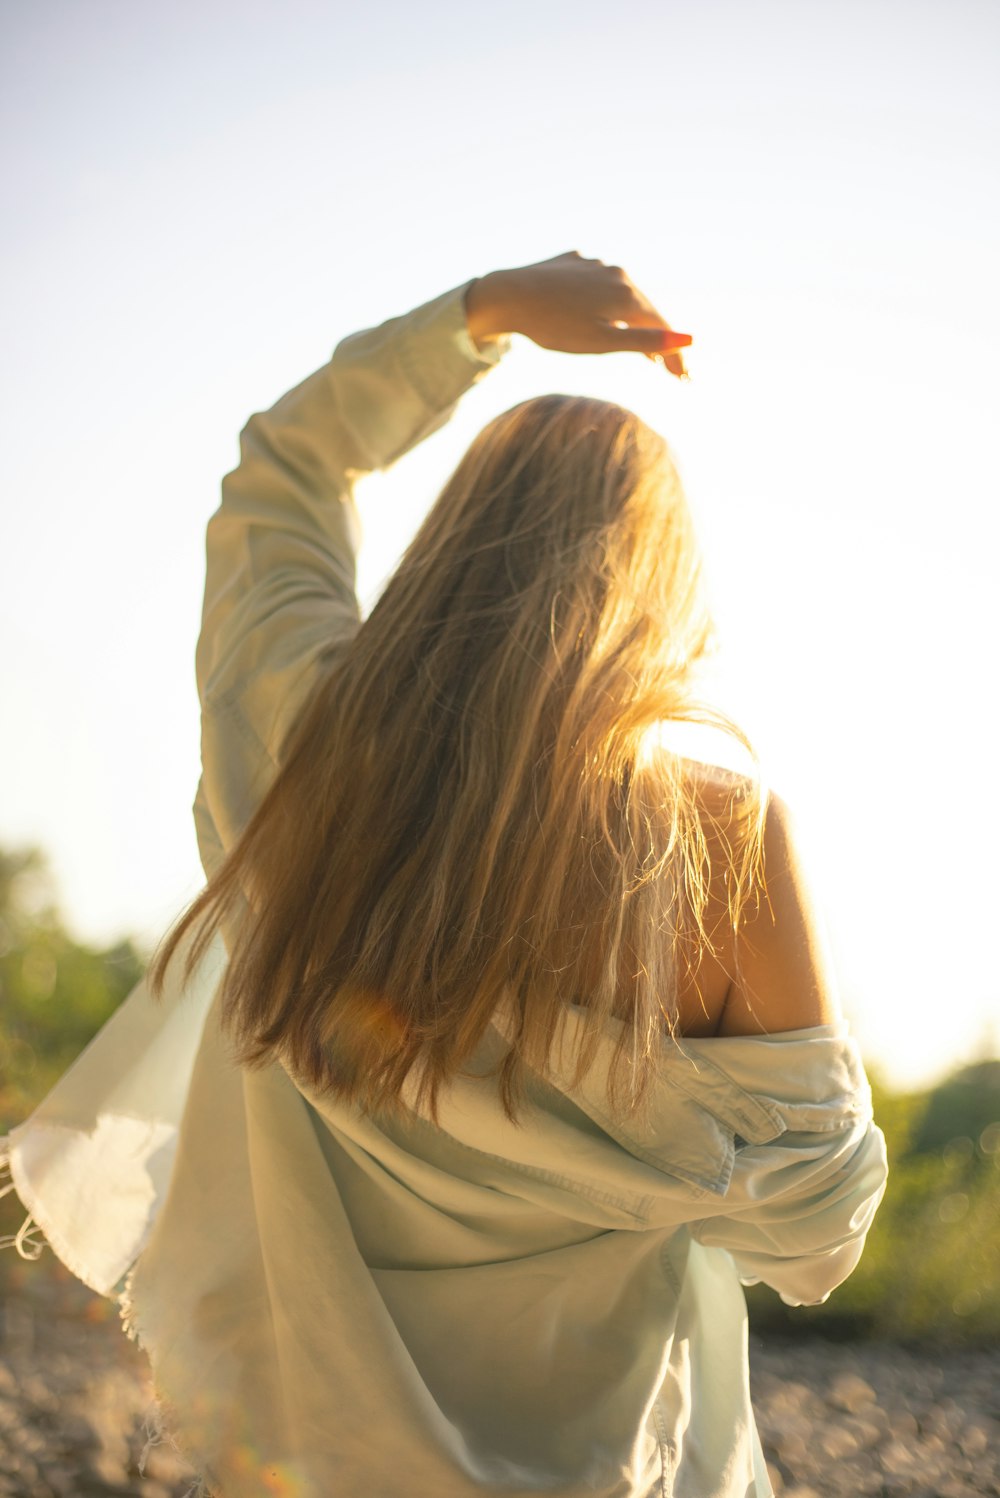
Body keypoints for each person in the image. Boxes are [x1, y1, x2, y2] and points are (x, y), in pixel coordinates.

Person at [1, 252, 888, 1498]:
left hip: (296, 1462)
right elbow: (816, 1238)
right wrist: (647, 1163)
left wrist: (491, 311)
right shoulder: (719, 842)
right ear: (662, 588)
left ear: (452, 541)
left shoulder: (297, 732)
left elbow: (286, 466)